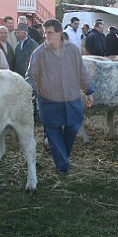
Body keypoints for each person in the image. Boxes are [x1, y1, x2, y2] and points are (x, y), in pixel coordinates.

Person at [25, 19, 94, 173]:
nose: (46, 36)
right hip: (49, 100)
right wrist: (33, 91)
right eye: (45, 33)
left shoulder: (73, 50)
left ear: (60, 33)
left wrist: (89, 91)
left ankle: (62, 156)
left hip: (72, 98)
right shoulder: (39, 53)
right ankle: (62, 166)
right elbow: (30, 76)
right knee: (53, 133)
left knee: (73, 127)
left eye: (49, 33)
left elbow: (82, 72)